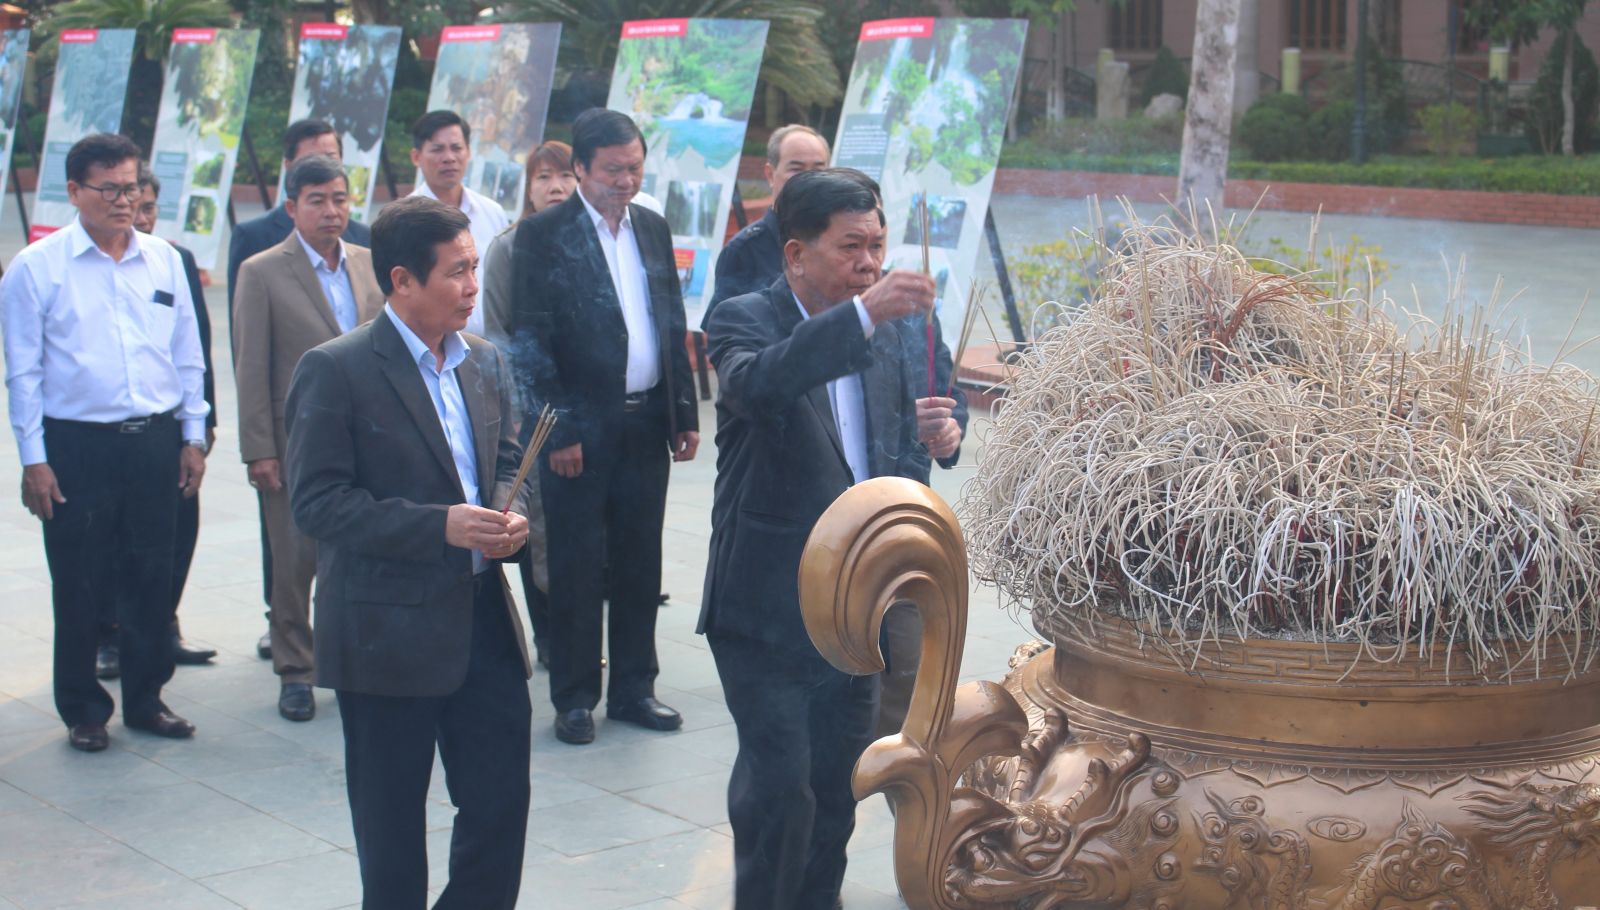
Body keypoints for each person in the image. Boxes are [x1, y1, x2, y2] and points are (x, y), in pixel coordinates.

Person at [699, 168, 959, 909]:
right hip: (765, 609)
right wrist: (863, 315)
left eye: (877, 245)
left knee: (837, 792)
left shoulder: (888, 331)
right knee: (779, 796)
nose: (870, 264)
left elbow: (901, 446)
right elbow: (758, 385)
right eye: (851, 247)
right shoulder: (745, 318)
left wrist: (941, 436)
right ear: (795, 255)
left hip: (857, 611)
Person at [285, 196, 532, 909]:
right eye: (455, 272)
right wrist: (440, 527)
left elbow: (510, 460)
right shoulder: (338, 369)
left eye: (474, 267)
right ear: (402, 281)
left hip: (482, 621)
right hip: (384, 635)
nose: (471, 286)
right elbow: (318, 503)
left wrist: (512, 515)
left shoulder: (482, 362)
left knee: (498, 812)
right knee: (392, 833)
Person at [0, 133, 209, 752]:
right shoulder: (37, 268)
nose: (125, 200)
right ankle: (84, 708)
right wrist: (34, 460)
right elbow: (23, 374)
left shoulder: (164, 259)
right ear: (74, 192)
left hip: (153, 439)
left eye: (133, 187)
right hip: (77, 446)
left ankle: (147, 699)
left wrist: (192, 434)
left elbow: (188, 353)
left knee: (152, 571)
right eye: (110, 189)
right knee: (81, 578)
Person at [510, 108, 698, 746]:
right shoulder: (542, 236)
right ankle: (573, 695)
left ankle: (634, 689)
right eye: (613, 169)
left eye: (635, 168)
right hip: (578, 433)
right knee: (577, 564)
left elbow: (670, 322)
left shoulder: (650, 225)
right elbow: (529, 342)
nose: (625, 180)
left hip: (645, 423)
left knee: (641, 561)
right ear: (581, 168)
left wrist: (684, 413)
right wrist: (556, 430)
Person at [233, 154, 385, 722]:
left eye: (340, 199)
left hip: (370, 438)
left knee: (366, 551)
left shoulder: (372, 264)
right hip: (294, 440)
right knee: (295, 560)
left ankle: (359, 658)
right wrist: (260, 450)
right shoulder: (262, 271)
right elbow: (250, 367)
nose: (331, 211)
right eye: (317, 200)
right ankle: (295, 670)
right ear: (291, 206)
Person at [89, 162, 219, 679]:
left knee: (177, 530)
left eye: (147, 208)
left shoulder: (174, 260)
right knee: (112, 538)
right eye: (130, 204)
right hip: (108, 430)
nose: (138, 217)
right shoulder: (91, 265)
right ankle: (108, 634)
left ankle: (163, 624)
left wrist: (201, 425)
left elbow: (196, 347)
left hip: (172, 428)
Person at [481, 139, 575, 668]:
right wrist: (521, 405)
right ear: (529, 188)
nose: (555, 187)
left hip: (588, 416)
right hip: (529, 416)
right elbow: (496, 333)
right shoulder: (508, 247)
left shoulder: (594, 242)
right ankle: (546, 637)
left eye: (564, 176)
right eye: (543, 178)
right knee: (535, 529)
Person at [703, 123, 830, 324]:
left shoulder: (836, 242)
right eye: (796, 169)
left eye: (818, 169)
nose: (808, 179)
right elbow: (723, 333)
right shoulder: (745, 250)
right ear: (770, 174)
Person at [408, 110, 509, 337]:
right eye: (437, 149)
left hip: (489, 346)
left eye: (456, 148)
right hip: (430, 346)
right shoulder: (404, 219)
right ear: (416, 157)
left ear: (469, 152)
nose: (449, 158)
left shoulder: (492, 212)